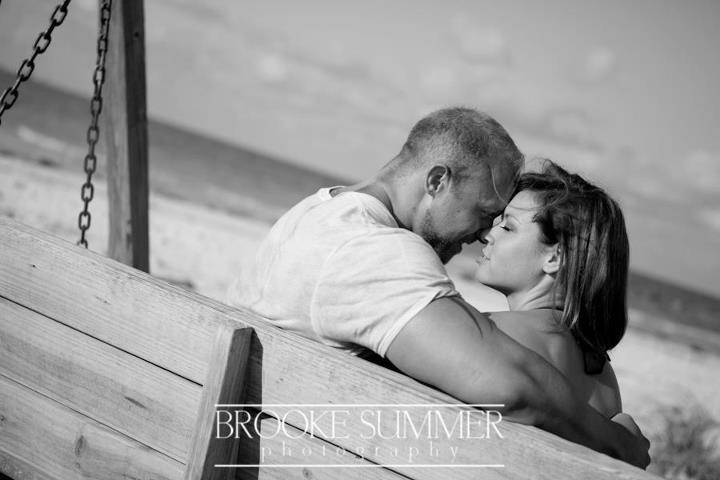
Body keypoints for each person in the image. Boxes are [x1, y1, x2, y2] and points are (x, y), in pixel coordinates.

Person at [227, 107, 650, 467]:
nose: (484, 232)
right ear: (437, 182)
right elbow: (512, 387)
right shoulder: (379, 252)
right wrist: (619, 444)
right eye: (487, 212)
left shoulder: (318, 211)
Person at [476, 161, 629, 418]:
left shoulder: (490, 333)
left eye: (507, 227)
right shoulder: (604, 379)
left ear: (555, 257)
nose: (487, 234)